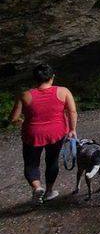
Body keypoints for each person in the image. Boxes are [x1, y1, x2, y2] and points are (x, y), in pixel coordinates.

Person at [8, 63, 78, 203]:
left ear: (35, 79)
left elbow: (13, 118)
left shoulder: (25, 95)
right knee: (52, 161)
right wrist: (72, 130)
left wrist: (21, 122)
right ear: (52, 77)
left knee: (31, 163)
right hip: (56, 133)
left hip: (32, 134)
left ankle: (37, 188)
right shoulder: (63, 91)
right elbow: (72, 111)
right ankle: (49, 191)